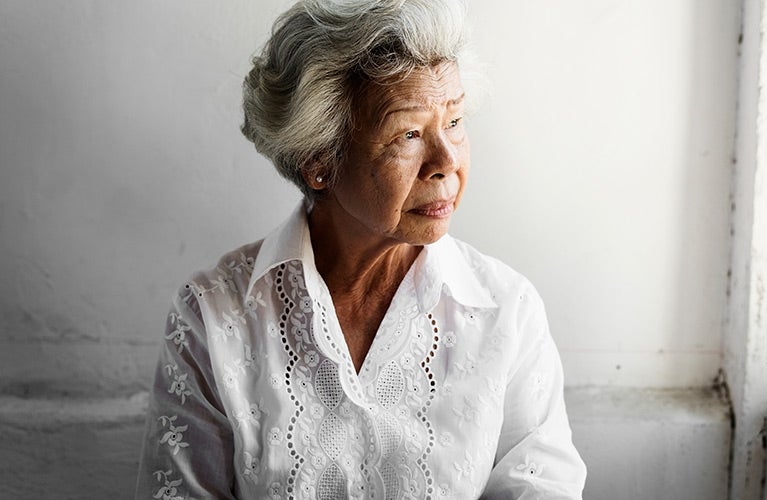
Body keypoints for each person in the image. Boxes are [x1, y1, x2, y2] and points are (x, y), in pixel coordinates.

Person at [135, 0, 586, 498]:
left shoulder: (506, 311)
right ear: (319, 162)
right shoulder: (215, 317)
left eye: (455, 121)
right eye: (409, 133)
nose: (446, 161)